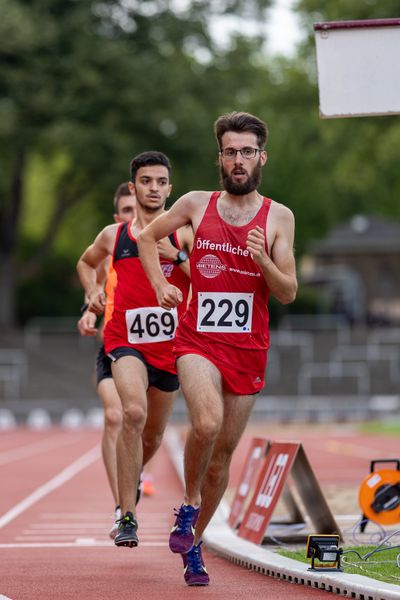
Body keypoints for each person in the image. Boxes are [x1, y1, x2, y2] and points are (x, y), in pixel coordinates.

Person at [137, 112, 297, 586]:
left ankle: (194, 547)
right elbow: (147, 237)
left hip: (248, 350)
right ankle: (187, 508)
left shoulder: (278, 216)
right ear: (220, 158)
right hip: (197, 340)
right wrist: (159, 286)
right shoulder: (195, 204)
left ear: (261, 157)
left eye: (248, 151)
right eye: (231, 151)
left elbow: (287, 291)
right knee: (204, 422)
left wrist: (263, 258)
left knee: (223, 456)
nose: (239, 160)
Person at [77, 151, 192, 548]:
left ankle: (132, 480)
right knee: (132, 413)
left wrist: (175, 255)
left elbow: (205, 279)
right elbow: (85, 262)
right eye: (146, 181)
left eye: (161, 182)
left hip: (171, 348)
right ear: (134, 187)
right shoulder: (116, 236)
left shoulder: (185, 233)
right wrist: (92, 291)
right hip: (126, 340)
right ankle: (127, 515)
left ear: (170, 188)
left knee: (154, 435)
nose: (154, 188)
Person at [77, 182, 138, 538]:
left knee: (144, 428)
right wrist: (88, 313)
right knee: (114, 416)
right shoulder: (111, 251)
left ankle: (133, 475)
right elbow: (93, 297)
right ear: (118, 218)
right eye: (127, 211)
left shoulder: (163, 245)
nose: (134, 216)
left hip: (152, 352)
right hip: (113, 351)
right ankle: (122, 508)